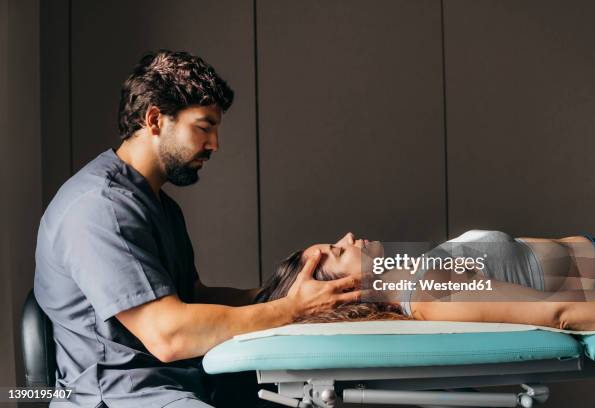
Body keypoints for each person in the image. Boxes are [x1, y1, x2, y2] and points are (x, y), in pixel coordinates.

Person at [34, 50, 362, 408]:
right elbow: (168, 335)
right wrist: (293, 309)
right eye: (204, 127)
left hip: (182, 384)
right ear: (155, 120)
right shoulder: (100, 207)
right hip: (123, 397)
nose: (214, 145)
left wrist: (290, 291)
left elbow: (193, 296)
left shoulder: (159, 205)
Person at [256, 230, 595, 330]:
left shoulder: (418, 273)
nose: (349, 237)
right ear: (341, 288)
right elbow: (559, 312)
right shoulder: (429, 293)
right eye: (339, 251)